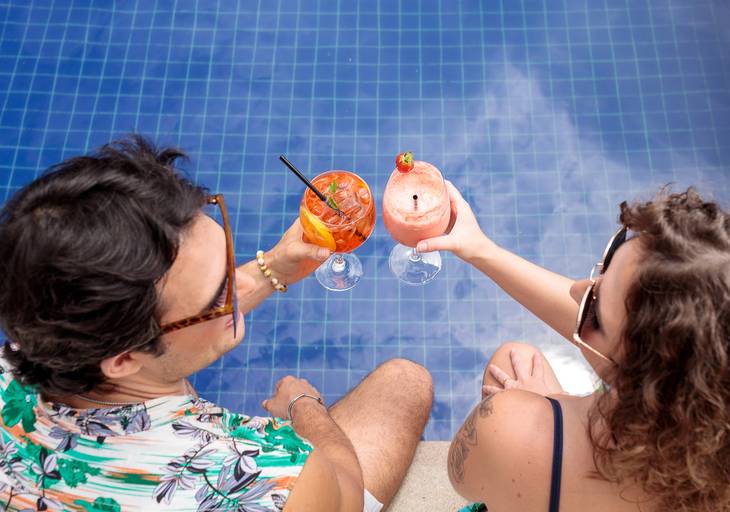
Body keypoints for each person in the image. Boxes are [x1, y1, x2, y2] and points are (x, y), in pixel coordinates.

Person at [0, 136, 433, 512]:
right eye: (216, 296)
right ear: (124, 358)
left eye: (227, 255)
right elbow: (346, 495)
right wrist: (304, 408)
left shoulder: (38, 344)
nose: (238, 279)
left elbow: (175, 310)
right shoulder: (264, 473)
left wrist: (272, 269)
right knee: (404, 383)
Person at [417, 183, 730, 511]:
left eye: (595, 314)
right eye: (611, 257)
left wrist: (547, 414)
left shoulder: (507, 431)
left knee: (500, 364)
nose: (577, 289)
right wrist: (481, 250)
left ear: (639, 382)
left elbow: (463, 479)